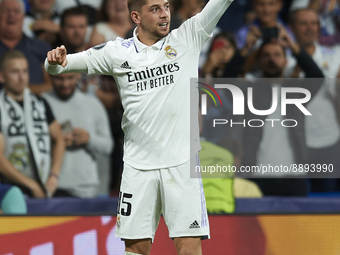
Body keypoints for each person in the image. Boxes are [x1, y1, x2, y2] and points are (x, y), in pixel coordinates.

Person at [45, 0, 235, 254]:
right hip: (137, 167)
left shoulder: (189, 36)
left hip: (181, 163)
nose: (164, 14)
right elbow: (60, 67)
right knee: (136, 247)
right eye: (155, 9)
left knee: (188, 245)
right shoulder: (116, 52)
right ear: (136, 16)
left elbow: (220, 3)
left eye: (166, 6)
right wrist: (53, 61)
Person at [241, 30, 324, 196]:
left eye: (277, 55)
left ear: (286, 61)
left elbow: (317, 76)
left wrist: (294, 47)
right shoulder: (249, 92)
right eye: (266, 55)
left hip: (294, 175)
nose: (272, 59)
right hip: (258, 175)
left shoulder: (297, 92)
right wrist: (245, 51)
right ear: (259, 61)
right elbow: (228, 76)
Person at [0, 50, 64, 198]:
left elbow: (59, 138)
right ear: (2, 76)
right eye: (15, 72)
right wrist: (31, 185)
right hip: (10, 191)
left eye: (25, 71)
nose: (22, 77)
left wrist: (54, 175)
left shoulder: (40, 103)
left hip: (44, 187)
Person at [289, 8, 340, 191]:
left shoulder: (335, 56)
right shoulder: (280, 57)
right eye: (303, 23)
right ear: (291, 27)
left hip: (330, 141)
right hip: (292, 144)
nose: (310, 28)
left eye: (314, 23)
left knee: (327, 206)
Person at [42, 72, 113, 198]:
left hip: (85, 189)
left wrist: (89, 139)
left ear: (78, 76)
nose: (65, 84)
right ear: (50, 76)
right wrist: (57, 141)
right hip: (49, 187)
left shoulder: (93, 105)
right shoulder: (40, 103)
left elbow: (108, 147)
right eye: (60, 79)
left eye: (70, 78)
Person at [0, 0, 52, 94]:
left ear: (23, 17)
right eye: (5, 11)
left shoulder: (41, 47)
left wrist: (17, 91)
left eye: (16, 11)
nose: (11, 15)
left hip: (37, 105)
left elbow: (52, 85)